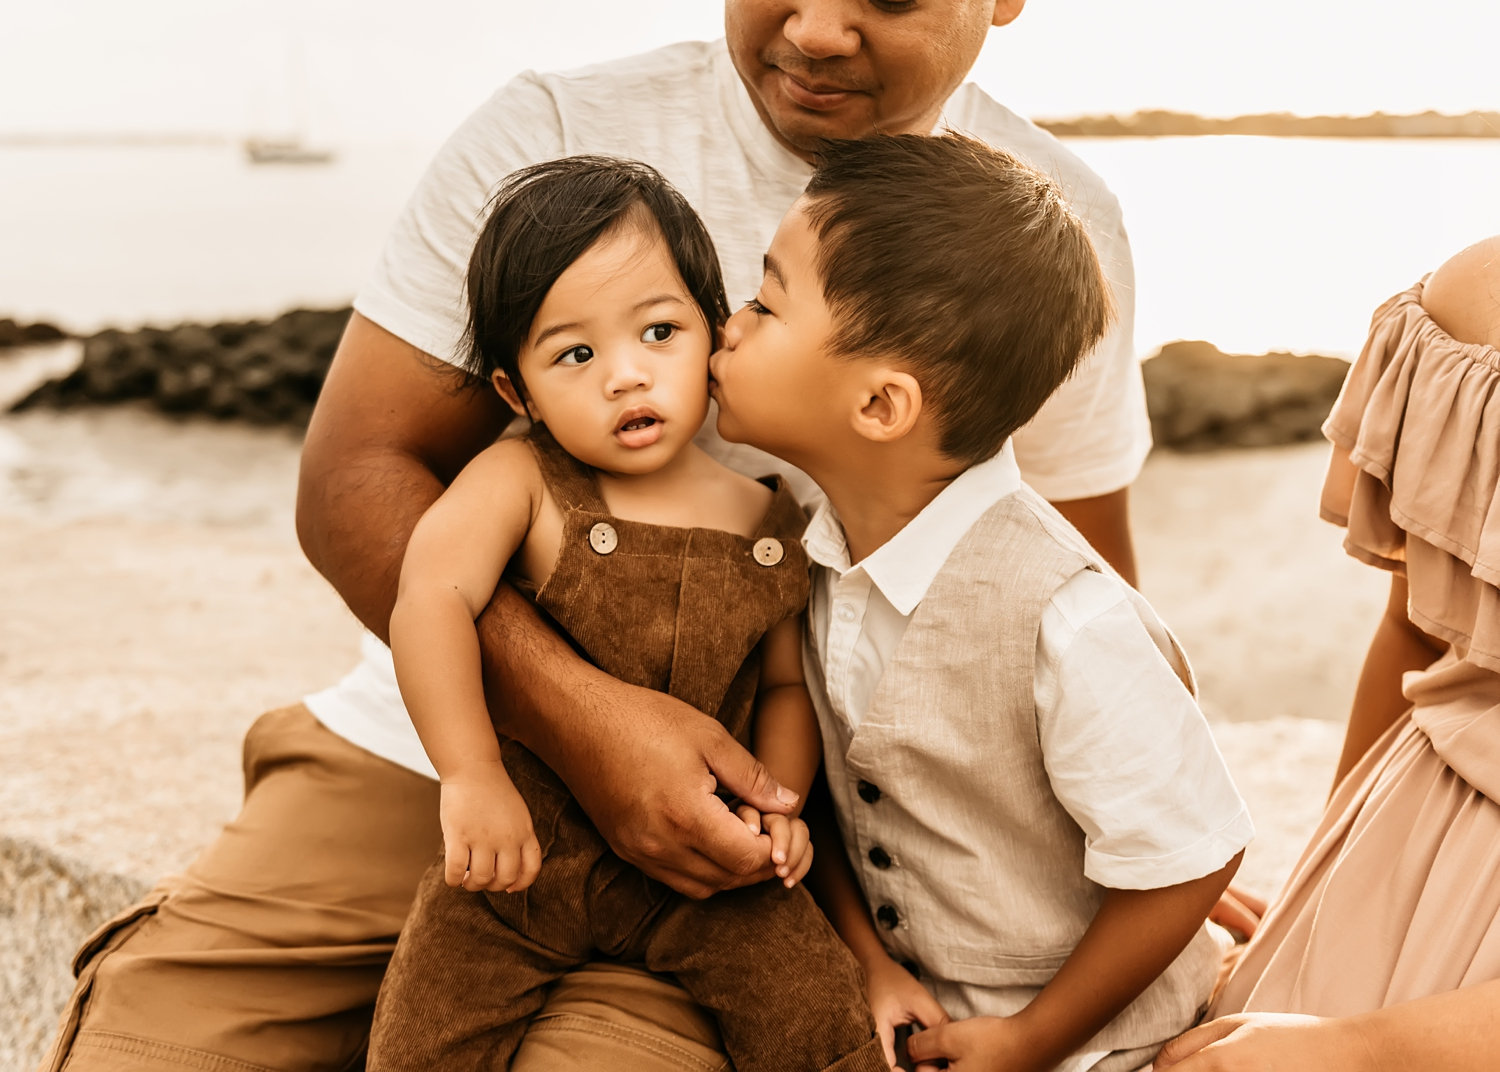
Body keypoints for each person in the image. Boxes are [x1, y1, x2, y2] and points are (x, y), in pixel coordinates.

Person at [42, 4, 1154, 1069]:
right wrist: (586, 725)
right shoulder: (555, 137)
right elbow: (354, 478)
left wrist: (1121, 840)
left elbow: (1066, 575)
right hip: (424, 750)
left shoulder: (1051, 231)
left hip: (735, 844)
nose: (816, 26)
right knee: (148, 1047)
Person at [705, 131, 1252, 1072]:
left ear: (880, 408)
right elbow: (837, 800)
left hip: (1098, 1044)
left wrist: (1033, 1041)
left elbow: (1194, 858)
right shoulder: (814, 550)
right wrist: (870, 961)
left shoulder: (1064, 617)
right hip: (914, 1007)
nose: (729, 323)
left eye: (766, 302)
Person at [365, 153, 885, 1071]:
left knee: (812, 1004)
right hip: (525, 853)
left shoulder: (769, 516)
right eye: (575, 354)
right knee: (427, 1026)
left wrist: (779, 804)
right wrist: (470, 776)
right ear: (516, 394)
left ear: (713, 336)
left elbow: (783, 686)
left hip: (700, 858)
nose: (625, 377)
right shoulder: (521, 478)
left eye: (658, 332)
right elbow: (429, 601)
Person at [1152, 237, 1500, 1072]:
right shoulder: (1471, 298)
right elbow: (1416, 629)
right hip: (1416, 841)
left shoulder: (1470, 295)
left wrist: (1360, 1047)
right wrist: (1315, 892)